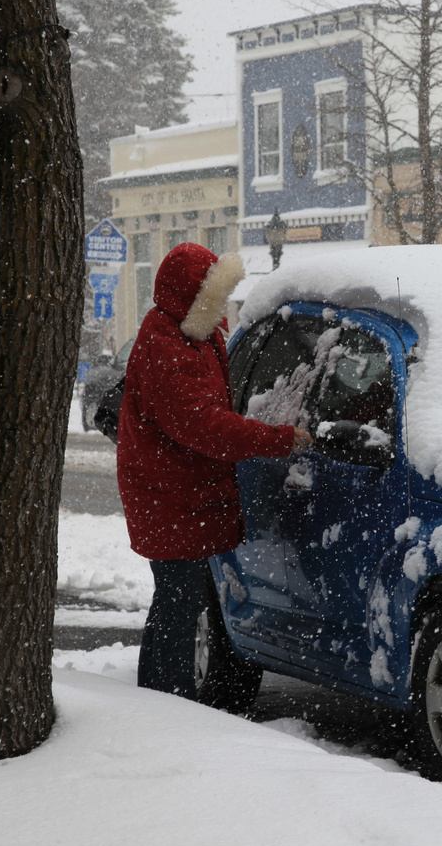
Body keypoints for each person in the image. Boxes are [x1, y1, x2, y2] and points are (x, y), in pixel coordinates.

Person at [116, 242, 311, 698]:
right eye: (214, 297)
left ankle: (161, 696)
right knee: (178, 602)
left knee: (178, 602)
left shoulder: (192, 334)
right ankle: (165, 699)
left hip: (178, 491)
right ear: (192, 297)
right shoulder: (168, 345)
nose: (222, 307)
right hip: (168, 496)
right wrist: (273, 438)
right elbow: (203, 425)